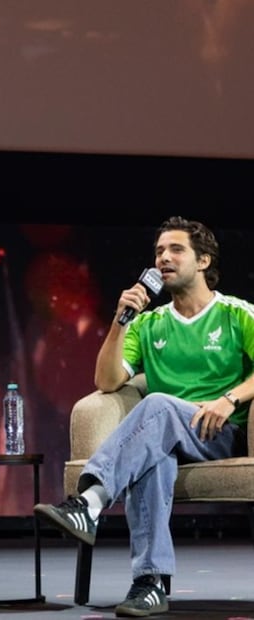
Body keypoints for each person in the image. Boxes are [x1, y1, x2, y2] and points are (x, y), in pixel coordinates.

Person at [34, 216, 254, 618]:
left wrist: (230, 399)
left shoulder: (236, 313)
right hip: (167, 435)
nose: (162, 259)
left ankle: (90, 502)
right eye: (158, 252)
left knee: (156, 403)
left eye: (175, 250)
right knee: (154, 460)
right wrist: (122, 320)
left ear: (203, 261)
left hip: (218, 433)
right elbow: (106, 381)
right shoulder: (149, 323)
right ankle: (149, 584)